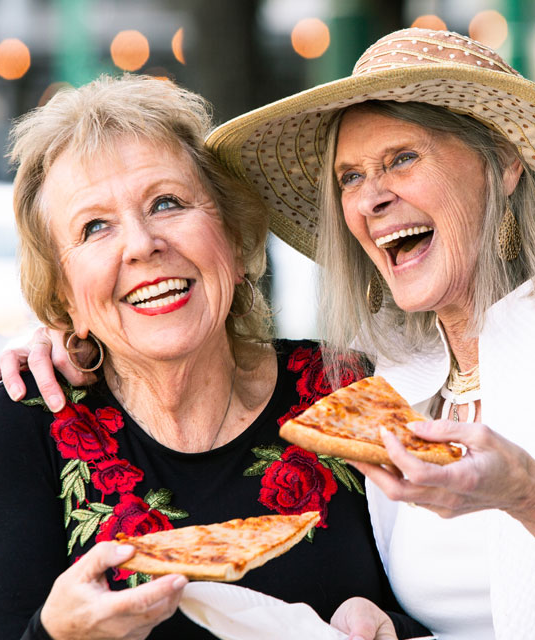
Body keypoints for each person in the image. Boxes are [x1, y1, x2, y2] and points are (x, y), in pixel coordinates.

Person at [0, 74, 431, 640]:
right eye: (95, 226)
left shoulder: (349, 391)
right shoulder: (23, 424)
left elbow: (464, 597)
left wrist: (389, 629)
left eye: (167, 203)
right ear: (62, 294)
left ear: (233, 232)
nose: (140, 244)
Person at [205, 27, 535, 640]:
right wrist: (80, 346)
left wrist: (525, 495)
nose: (370, 199)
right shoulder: (387, 375)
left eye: (402, 159)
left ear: (504, 163)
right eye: (350, 177)